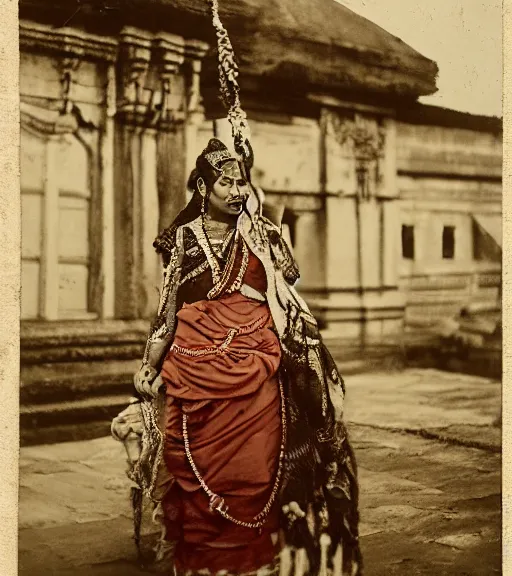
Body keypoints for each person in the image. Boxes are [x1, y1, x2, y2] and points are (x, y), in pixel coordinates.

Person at [114, 137, 362, 576]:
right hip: (194, 363)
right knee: (190, 460)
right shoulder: (185, 238)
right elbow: (167, 309)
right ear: (204, 189)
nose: (235, 191)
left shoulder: (262, 234)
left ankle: (268, 546)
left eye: (241, 183)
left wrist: (269, 233)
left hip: (257, 358)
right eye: (225, 183)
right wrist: (150, 363)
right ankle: (205, 561)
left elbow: (289, 286)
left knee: (268, 452)